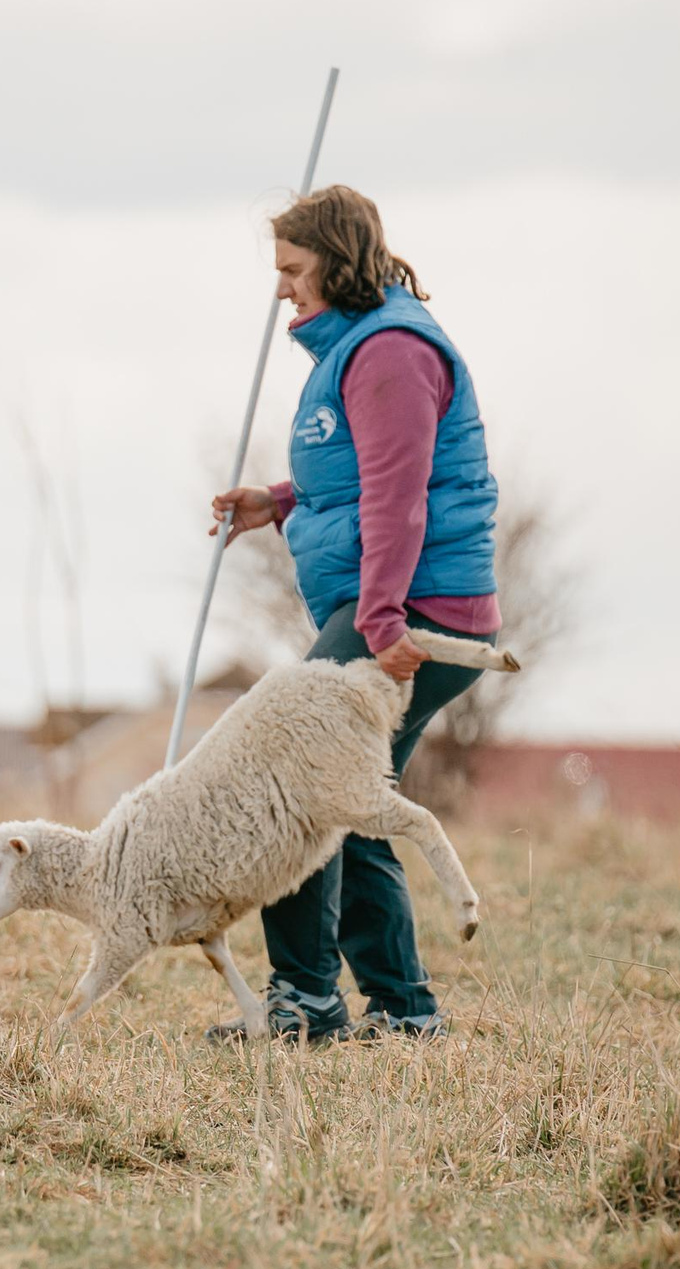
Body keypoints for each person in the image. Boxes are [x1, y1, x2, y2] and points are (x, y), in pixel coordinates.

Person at [208, 185, 500, 1043]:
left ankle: (305, 1000)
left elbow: (401, 499)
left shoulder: (391, 354)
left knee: (294, 775)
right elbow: (362, 470)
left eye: (293, 270)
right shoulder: (361, 350)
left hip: (417, 610)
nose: (281, 289)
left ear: (336, 262)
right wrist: (280, 500)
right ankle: (404, 1014)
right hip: (402, 604)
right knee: (350, 796)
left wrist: (379, 622)